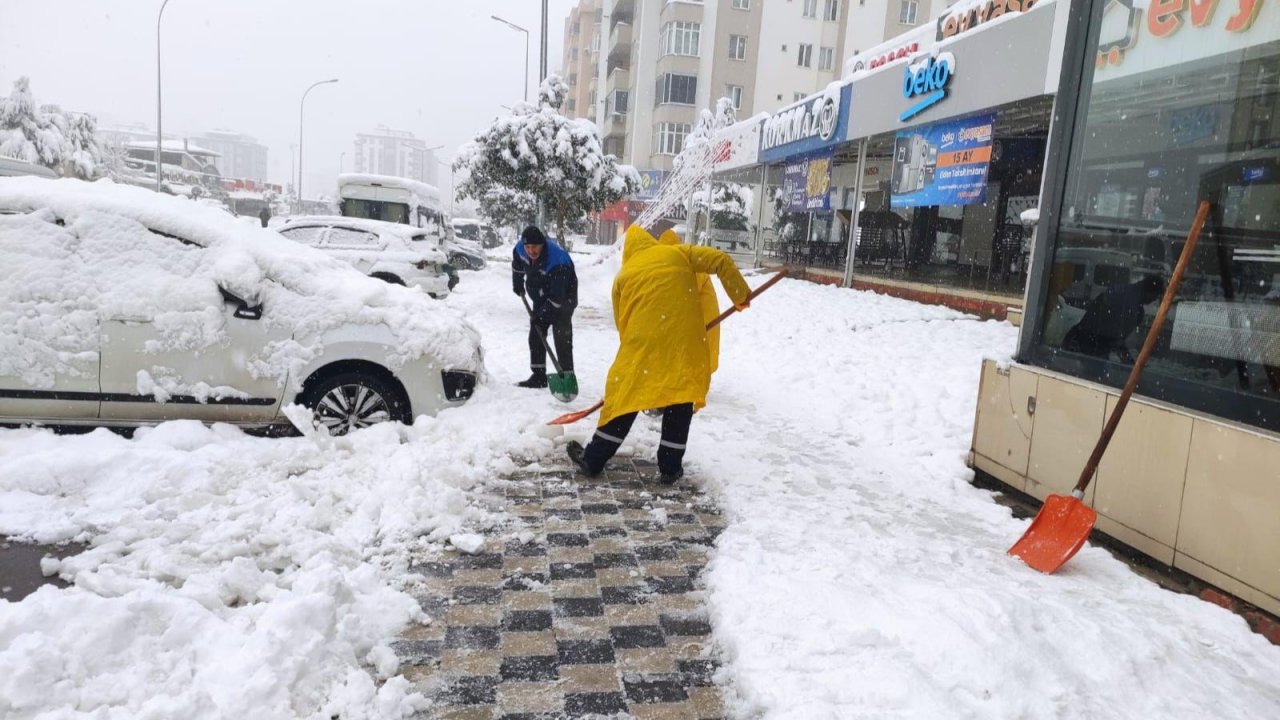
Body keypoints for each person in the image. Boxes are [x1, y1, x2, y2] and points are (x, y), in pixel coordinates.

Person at [566, 225, 751, 484]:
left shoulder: (624, 274)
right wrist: (740, 294)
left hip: (642, 344)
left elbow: (623, 324)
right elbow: (720, 260)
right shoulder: (678, 254)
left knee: (624, 400)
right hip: (684, 344)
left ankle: (593, 459)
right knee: (680, 399)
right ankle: (669, 468)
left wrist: (641, 357)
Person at [512, 225, 577, 388]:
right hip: (541, 294)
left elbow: (557, 299)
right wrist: (517, 282)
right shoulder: (520, 249)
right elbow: (517, 264)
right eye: (528, 247)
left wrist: (541, 317)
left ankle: (567, 377)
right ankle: (538, 376)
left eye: (535, 247)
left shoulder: (557, 261)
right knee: (536, 333)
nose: (531, 251)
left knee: (562, 336)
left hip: (564, 297)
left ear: (542, 244)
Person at [1062, 275, 1165, 360]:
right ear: (1149, 292)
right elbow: (1116, 338)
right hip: (1087, 344)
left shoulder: (1122, 294)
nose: (1154, 300)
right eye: (1155, 297)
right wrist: (1128, 360)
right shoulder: (1132, 308)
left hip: (1084, 340)